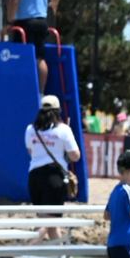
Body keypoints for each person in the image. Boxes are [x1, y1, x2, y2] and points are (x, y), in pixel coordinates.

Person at [5, 0, 61, 92]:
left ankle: (21, 89)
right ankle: (40, 92)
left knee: (19, 56)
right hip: (42, 22)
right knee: (40, 58)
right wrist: (51, 10)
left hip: (24, 24)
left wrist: (10, 20)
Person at [25, 96, 82, 229]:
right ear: (58, 111)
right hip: (54, 178)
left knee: (46, 222)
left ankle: (60, 250)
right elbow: (75, 156)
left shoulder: (30, 129)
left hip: (34, 177)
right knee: (49, 223)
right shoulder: (63, 130)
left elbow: (31, 152)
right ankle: (29, 247)